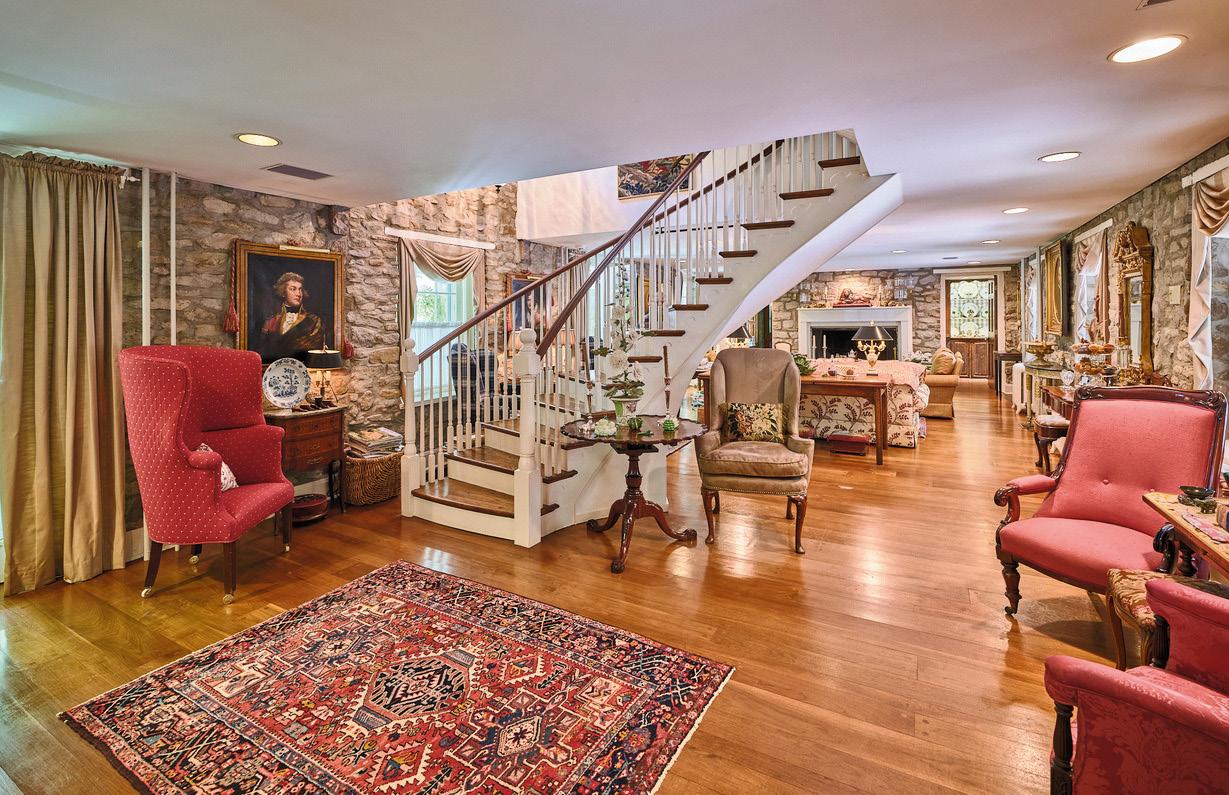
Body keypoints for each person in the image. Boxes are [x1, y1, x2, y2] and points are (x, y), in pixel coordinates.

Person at [259, 271, 324, 361]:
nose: (298, 294)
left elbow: (313, 351)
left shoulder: (313, 321)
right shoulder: (271, 321)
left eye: (300, 289)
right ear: (283, 292)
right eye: (293, 289)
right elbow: (264, 350)